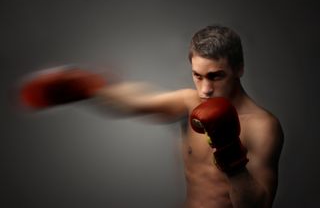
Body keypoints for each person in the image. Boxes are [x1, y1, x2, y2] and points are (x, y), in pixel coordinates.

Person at [19, 25, 284, 208]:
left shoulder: (263, 126)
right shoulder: (189, 102)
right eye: (198, 75)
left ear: (239, 68)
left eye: (216, 76)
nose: (205, 89)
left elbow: (257, 206)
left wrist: (230, 154)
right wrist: (88, 88)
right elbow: (141, 101)